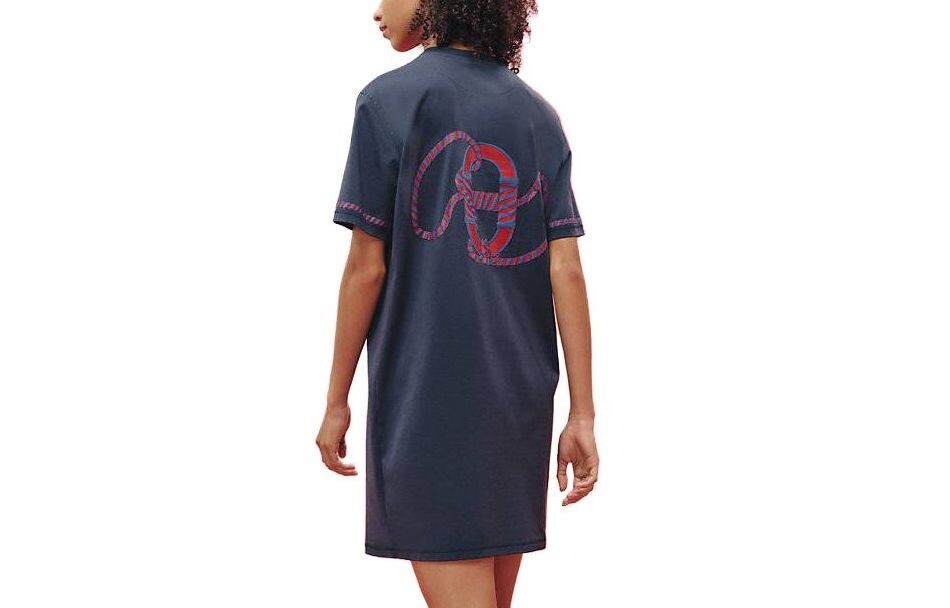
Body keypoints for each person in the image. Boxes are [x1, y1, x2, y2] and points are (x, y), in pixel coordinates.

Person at [316, 1, 599, 605]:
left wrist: (336, 400)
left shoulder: (387, 102)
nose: (376, 11)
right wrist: (582, 414)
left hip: (430, 399)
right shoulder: (538, 116)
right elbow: (566, 269)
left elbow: (366, 269)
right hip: (517, 401)